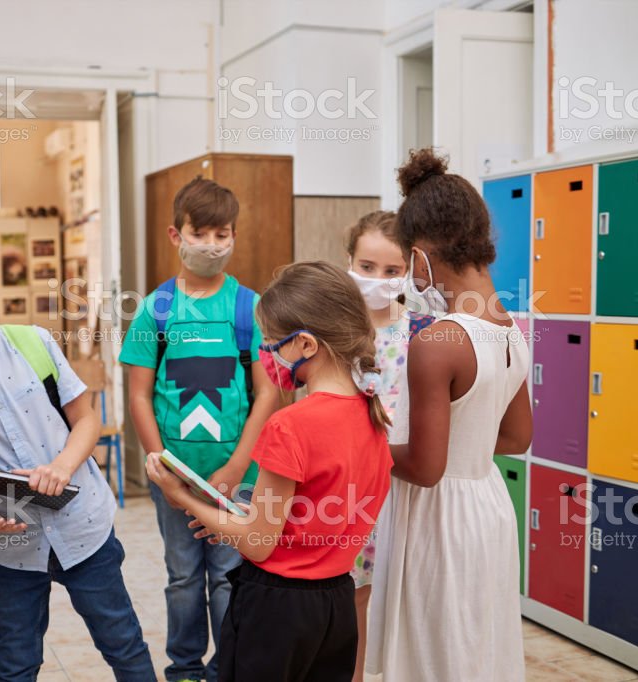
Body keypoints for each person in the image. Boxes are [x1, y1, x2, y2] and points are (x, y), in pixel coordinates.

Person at [0, 238, 156, 682]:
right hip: (13, 547)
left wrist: (62, 466)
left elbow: (86, 419)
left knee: (122, 643)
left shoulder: (35, 343)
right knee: (16, 661)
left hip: (84, 532)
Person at [147, 260, 393, 682]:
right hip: (336, 602)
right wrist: (232, 519)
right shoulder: (374, 418)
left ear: (308, 346)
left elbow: (259, 543)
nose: (267, 356)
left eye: (274, 344)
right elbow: (304, 516)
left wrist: (181, 497)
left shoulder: (290, 424)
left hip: (277, 610)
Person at [366, 148, 532, 681]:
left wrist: (366, 437)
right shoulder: (511, 328)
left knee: (433, 655)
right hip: (488, 506)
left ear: (419, 256)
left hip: (441, 519)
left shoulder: (439, 341)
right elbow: (517, 437)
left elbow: (426, 467)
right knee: (476, 650)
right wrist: (463, 441)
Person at [120, 177, 278, 682]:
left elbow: (269, 394)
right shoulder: (155, 310)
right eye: (200, 233)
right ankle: (184, 669)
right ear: (176, 234)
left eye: (222, 234)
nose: (211, 245)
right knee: (183, 577)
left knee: (230, 578)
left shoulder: (249, 308)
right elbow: (139, 396)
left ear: (234, 236)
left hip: (240, 477)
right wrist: (162, 468)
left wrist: (237, 467)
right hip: (177, 480)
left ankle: (227, 666)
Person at [344, 210, 434, 681]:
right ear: (349, 262)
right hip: (348, 487)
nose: (378, 280)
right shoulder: (335, 332)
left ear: (409, 271)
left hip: (405, 485)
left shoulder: (422, 333)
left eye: (392, 271)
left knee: (407, 594)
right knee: (354, 593)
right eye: (367, 267)